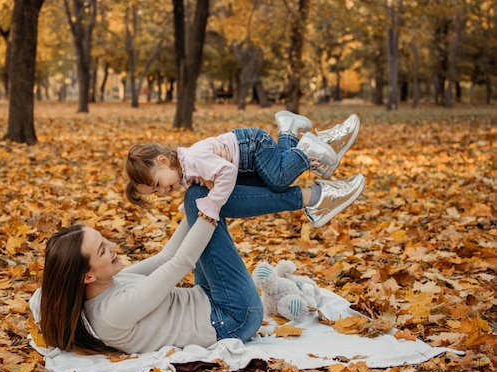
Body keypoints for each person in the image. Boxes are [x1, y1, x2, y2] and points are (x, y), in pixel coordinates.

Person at [37, 174, 365, 355]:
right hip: (233, 316)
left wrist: (194, 212)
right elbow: (181, 263)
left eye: (105, 239)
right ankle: (308, 192)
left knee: (199, 194)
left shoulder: (105, 285)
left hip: (209, 298)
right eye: (103, 250)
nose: (113, 246)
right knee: (202, 196)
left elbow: (166, 257)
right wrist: (206, 212)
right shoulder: (112, 312)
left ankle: (292, 173)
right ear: (87, 275)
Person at [125, 112, 361, 228]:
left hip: (252, 148)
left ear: (163, 161)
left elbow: (226, 173)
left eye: (157, 185)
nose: (162, 192)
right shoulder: (187, 167)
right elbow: (207, 180)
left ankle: (306, 152)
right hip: (249, 150)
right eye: (156, 193)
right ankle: (288, 131)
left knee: (278, 181)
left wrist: (213, 203)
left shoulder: (193, 160)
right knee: (275, 176)